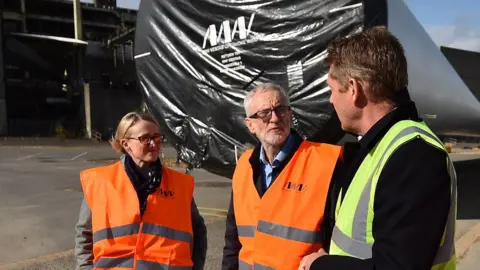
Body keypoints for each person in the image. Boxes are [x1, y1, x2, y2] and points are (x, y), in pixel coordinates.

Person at [299, 26, 457, 270]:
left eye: (332, 89)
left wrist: (322, 265)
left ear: (354, 89)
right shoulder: (378, 145)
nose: (331, 100)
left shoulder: (414, 156)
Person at [222, 83, 343, 269]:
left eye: (281, 110)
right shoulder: (244, 167)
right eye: (265, 113)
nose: (275, 118)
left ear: (290, 114)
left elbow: (342, 239)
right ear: (250, 125)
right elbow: (233, 242)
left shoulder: (325, 163)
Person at [74, 112, 207, 270]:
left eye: (157, 137)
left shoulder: (179, 184)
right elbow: (84, 236)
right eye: (145, 138)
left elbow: (198, 231)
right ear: (125, 144)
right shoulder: (100, 182)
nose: (154, 143)